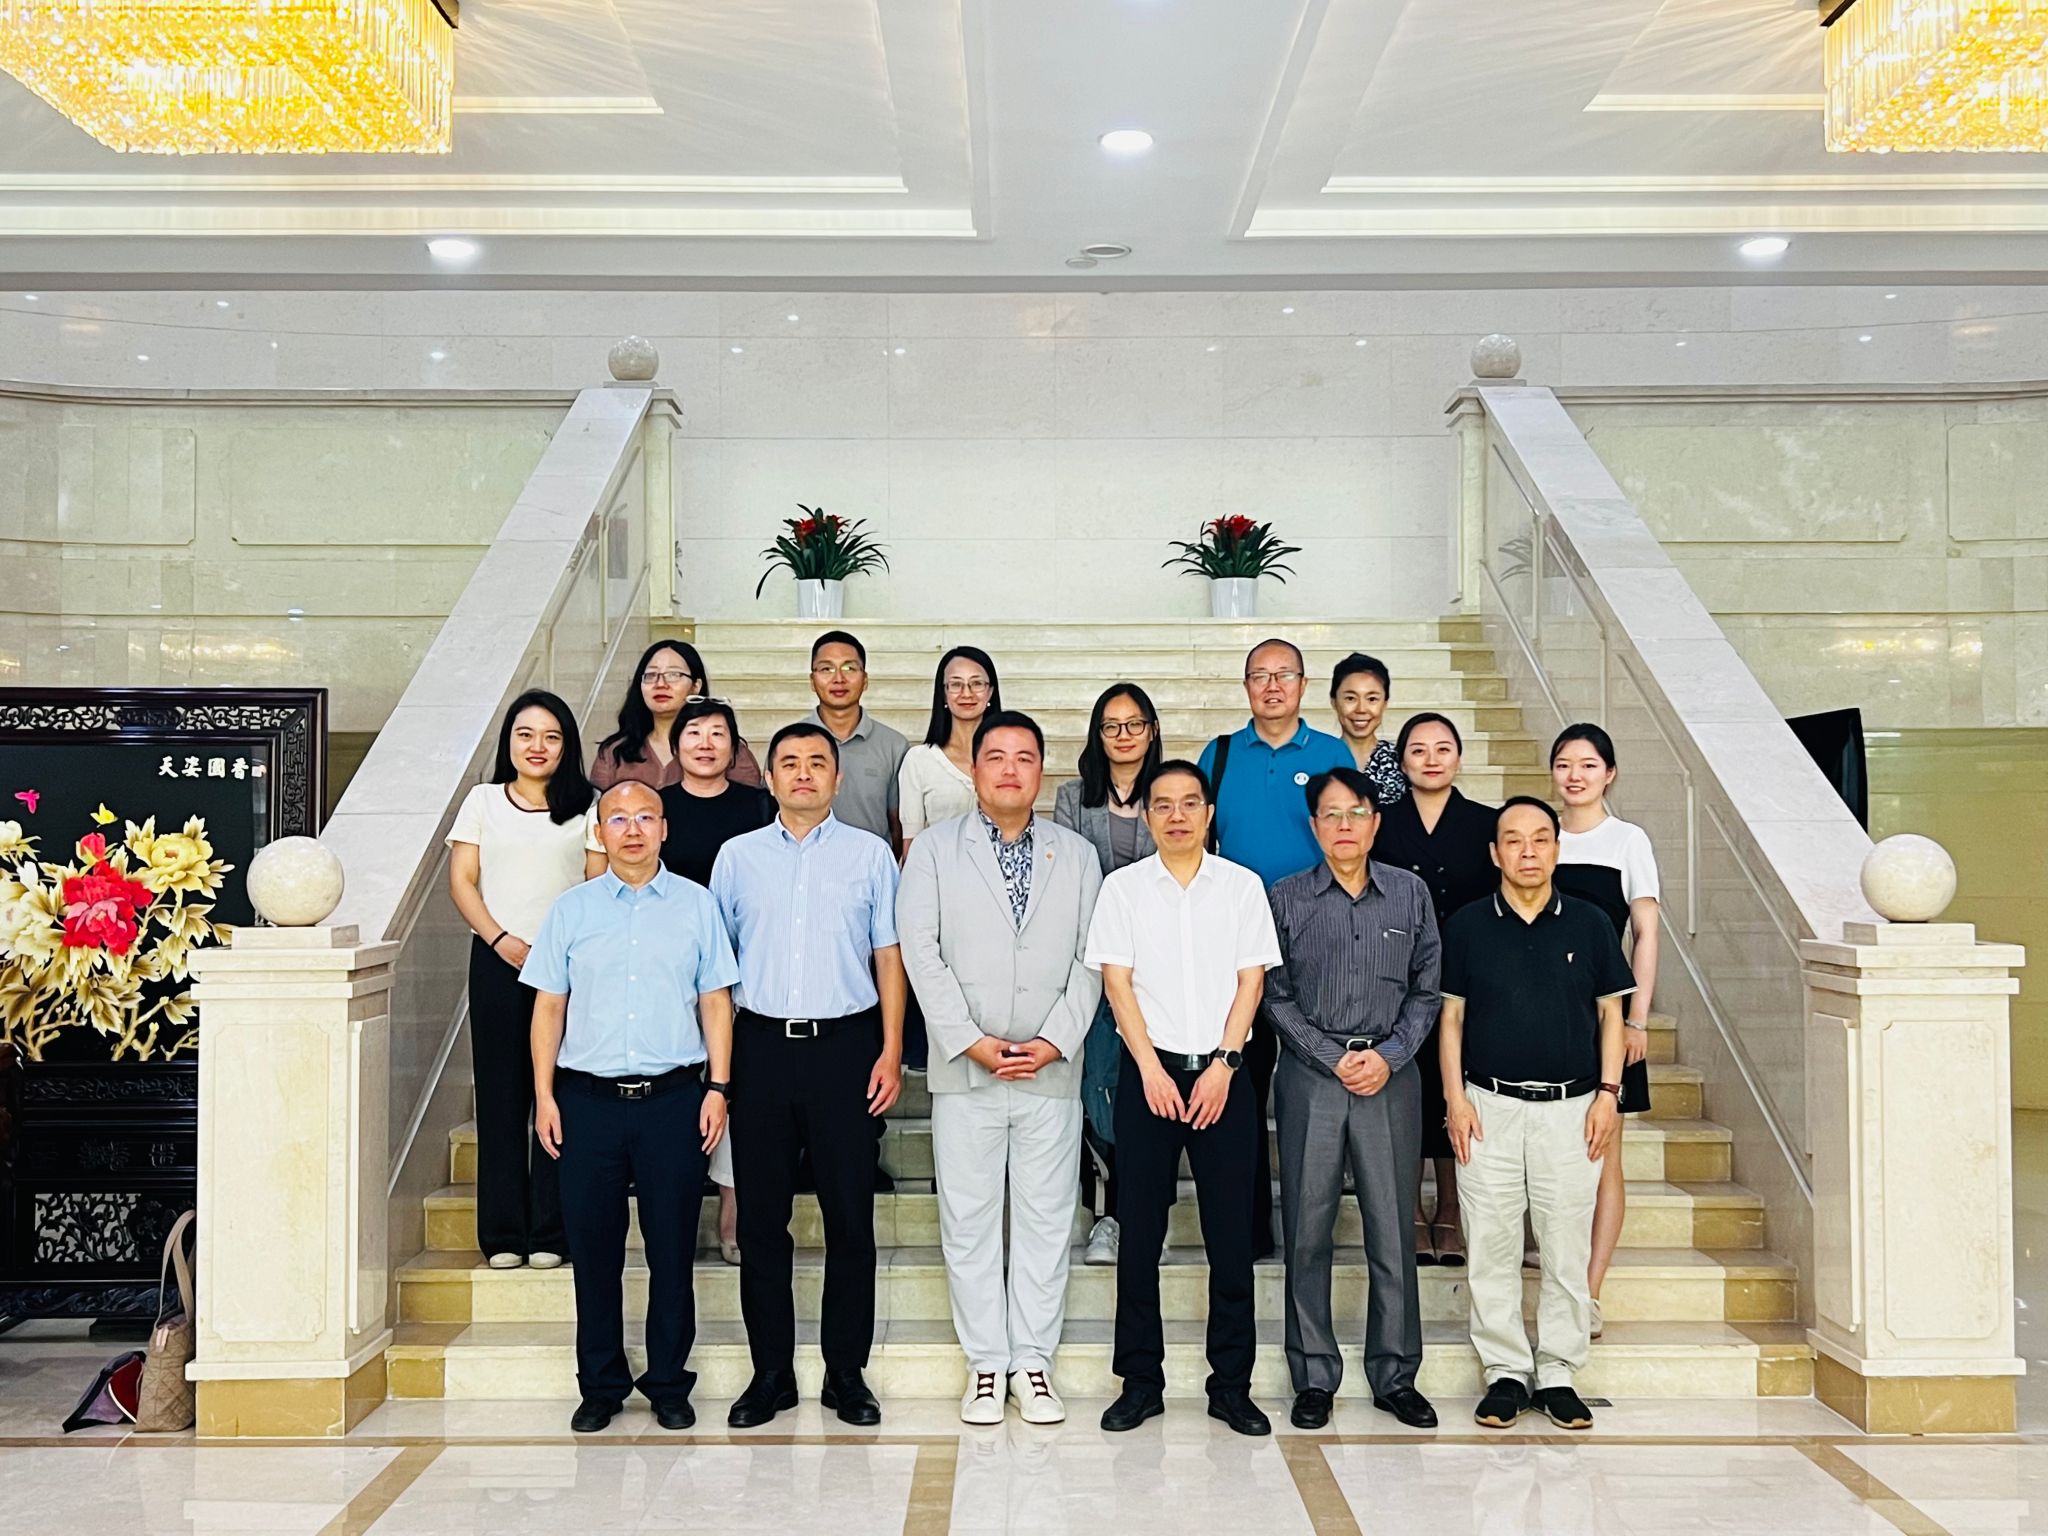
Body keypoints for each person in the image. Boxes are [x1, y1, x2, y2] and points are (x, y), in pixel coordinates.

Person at [898, 710, 1102, 1426]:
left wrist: (1055, 1040)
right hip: (968, 1071)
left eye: (1024, 757)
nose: (1010, 769)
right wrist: (968, 1039)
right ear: (975, 769)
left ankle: (1033, 1364)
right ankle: (986, 1365)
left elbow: (1092, 958)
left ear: (1042, 771)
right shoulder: (933, 850)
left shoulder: (1077, 855)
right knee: (971, 1219)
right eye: (996, 756)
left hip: (1050, 1070)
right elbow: (920, 950)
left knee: (1046, 1221)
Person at [523, 781, 738, 1434]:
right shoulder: (572, 910)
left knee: (673, 1249)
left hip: (674, 1101)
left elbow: (716, 1002)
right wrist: (544, 1096)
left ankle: (669, 1383)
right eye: (618, 819)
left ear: (665, 828)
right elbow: (549, 1007)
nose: (634, 829)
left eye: (646, 816)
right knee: (594, 1253)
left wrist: (718, 1089)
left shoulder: (697, 905)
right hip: (586, 1102)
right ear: (601, 832)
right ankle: (601, 1385)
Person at [710, 721, 906, 1429]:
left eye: (816, 762)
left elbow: (889, 957)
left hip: (844, 1049)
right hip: (760, 1048)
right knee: (762, 1222)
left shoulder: (870, 855)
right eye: (788, 762)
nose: (802, 773)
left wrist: (890, 1051)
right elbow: (716, 969)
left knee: (850, 1219)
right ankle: (771, 1375)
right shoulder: (736, 857)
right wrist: (720, 1074)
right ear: (768, 778)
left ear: (837, 778)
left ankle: (845, 1374)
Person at [1085, 760, 1282, 1439]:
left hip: (1224, 1075)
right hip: (1150, 1077)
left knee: (1232, 1239)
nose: (1176, 815)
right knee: (1140, 1238)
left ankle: (1231, 1386)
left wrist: (1226, 1065)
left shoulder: (1241, 887)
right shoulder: (1123, 889)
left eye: (1189, 803)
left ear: (1208, 813)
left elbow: (1251, 982)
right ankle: (1140, 1383)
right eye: (1163, 804)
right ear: (1147, 816)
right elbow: (1117, 984)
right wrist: (1149, 1069)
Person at [1439, 797, 1632, 1432]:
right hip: (1487, 1106)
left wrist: (1608, 1094)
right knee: (1490, 1243)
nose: (1528, 851)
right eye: (1514, 840)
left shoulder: (1591, 922)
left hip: (1572, 1109)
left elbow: (1611, 1015)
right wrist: (1455, 1100)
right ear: (1494, 853)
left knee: (1564, 1244)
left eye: (1540, 839)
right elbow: (1451, 1019)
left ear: (1556, 849)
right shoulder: (1467, 925)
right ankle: (1503, 1371)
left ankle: (1558, 1372)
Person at [1265, 768, 1441, 1431]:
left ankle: (1395, 1374)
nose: (1345, 825)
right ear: (1315, 827)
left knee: (1391, 1228)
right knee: (1307, 1228)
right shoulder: (1286, 897)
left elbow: (1427, 989)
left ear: (1375, 822)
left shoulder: (1410, 893)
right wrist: (1329, 1055)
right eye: (1331, 814)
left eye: (1357, 813)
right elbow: (1273, 995)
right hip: (1312, 1076)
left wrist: (1389, 1056)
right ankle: (1313, 1374)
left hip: (1391, 1077)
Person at [1196, 638, 1350, 1260]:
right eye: (1259, 675)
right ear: (1246, 687)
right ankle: (1251, 1226)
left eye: (1283, 674)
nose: (1272, 685)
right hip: (1238, 944)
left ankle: (1313, 1227)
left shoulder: (1332, 753)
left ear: (1304, 685)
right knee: (1242, 1085)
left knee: (1315, 1083)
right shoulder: (1221, 754)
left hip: (1319, 938)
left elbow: (1351, 837)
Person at [446, 691, 607, 1272]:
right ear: (509, 742)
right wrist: (501, 940)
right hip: (497, 959)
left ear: (567, 746)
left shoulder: (588, 806)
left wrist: (559, 950)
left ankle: (550, 1231)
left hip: (566, 967)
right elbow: (462, 881)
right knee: (500, 1095)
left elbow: (595, 885)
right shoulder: (483, 801)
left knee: (559, 1093)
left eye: (551, 736)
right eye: (526, 734)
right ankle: (503, 1234)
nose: (538, 746)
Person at [1372, 711, 1497, 1269]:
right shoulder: (1382, 823)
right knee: (1411, 1092)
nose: (1431, 759)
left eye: (1443, 748)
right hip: (1398, 978)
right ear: (1401, 761)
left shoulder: (1485, 822)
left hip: (1469, 976)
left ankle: (1449, 1208)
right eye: (1418, 749)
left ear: (1459, 758)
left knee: (1457, 1088)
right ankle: (1411, 1211)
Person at [1549, 723, 1662, 1339]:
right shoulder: (1540, 834)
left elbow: (1645, 934)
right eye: (1565, 764)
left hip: (1606, 1017)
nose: (1576, 775)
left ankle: (1589, 1293)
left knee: (1603, 1157)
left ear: (1609, 773)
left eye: (1588, 765)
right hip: (1544, 1016)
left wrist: (1638, 1017)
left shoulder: (1627, 840)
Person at [657, 698, 776, 1266]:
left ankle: (733, 1208)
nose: (705, 744)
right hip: (669, 968)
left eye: (718, 734)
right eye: (694, 733)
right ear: (675, 745)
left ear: (735, 748)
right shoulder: (655, 808)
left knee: (735, 1086)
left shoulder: (759, 806)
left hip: (744, 969)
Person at [1054, 683, 1161, 1269]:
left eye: (1133, 723)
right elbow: (1066, 881)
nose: (1123, 735)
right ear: (1097, 734)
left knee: (1150, 1090)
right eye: (1111, 725)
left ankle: (1144, 1213)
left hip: (1160, 969)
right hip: (1096, 964)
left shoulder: (1170, 791)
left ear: (1151, 729)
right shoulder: (1074, 798)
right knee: (1099, 1088)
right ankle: (1107, 1216)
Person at [592, 640, 763, 791]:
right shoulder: (614, 752)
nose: (660, 684)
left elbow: (749, 806)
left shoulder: (725, 750)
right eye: (651, 675)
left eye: (674, 675)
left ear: (696, 686)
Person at [803, 630, 909, 848]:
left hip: (871, 865)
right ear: (812, 681)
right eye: (826, 669)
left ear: (865, 680)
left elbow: (899, 826)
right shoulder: (788, 743)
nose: (838, 679)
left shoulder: (894, 746)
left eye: (849, 668)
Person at [898, 646, 1002, 844]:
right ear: (943, 693)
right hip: (937, 863)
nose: (966, 693)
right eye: (956, 684)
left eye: (977, 683)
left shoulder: (1009, 758)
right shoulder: (919, 759)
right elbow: (911, 842)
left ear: (990, 692)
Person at [1329, 652, 1407, 810]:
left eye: (1372, 699)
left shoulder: (1402, 761)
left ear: (1385, 703)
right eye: (1350, 698)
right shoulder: (1320, 758)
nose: (1361, 709)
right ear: (1334, 702)